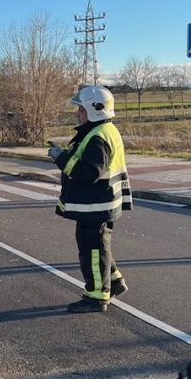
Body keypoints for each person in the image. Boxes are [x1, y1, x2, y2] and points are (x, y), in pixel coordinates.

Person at [48, 85, 132, 313]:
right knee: (99, 247)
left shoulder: (98, 137)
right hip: (100, 205)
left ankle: (96, 297)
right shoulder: (102, 130)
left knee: (92, 252)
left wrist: (62, 159)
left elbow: (88, 173)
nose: (78, 114)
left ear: (95, 110)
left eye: (81, 110)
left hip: (96, 206)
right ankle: (113, 282)